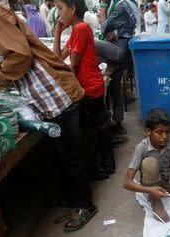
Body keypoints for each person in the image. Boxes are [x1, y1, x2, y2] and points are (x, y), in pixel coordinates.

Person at [0, 0, 96, 231]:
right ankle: (74, 201)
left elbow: (19, 55)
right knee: (62, 155)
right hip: (47, 93)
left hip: (55, 93)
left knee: (70, 156)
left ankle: (84, 205)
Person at [54, 0, 114, 181]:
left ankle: (97, 170)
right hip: (92, 86)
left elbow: (72, 65)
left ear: (72, 9)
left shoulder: (80, 29)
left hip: (89, 90)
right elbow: (57, 58)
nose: (59, 14)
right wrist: (57, 32)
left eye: (60, 8)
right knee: (99, 128)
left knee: (89, 133)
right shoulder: (77, 30)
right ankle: (106, 165)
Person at [95, 0, 137, 137]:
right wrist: (113, 32)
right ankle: (118, 125)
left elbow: (104, 26)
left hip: (118, 51)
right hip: (121, 51)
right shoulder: (130, 3)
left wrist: (103, 8)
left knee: (90, 41)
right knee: (114, 88)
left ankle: (104, 66)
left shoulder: (121, 5)